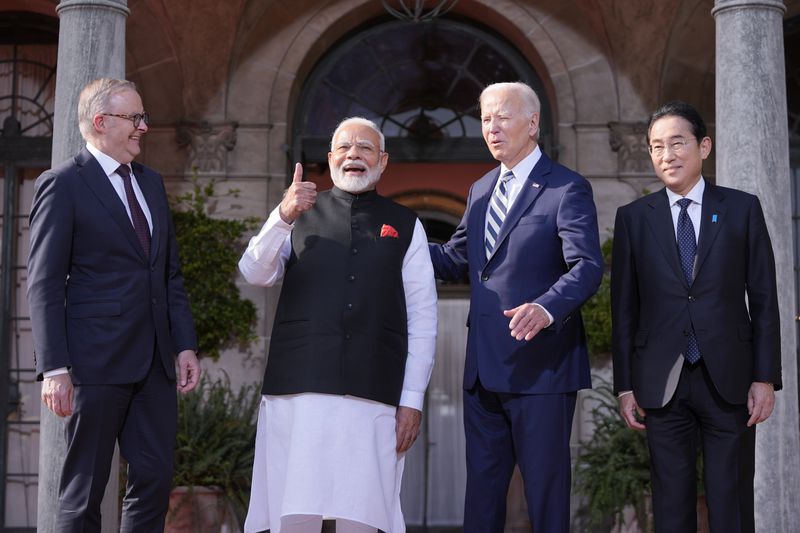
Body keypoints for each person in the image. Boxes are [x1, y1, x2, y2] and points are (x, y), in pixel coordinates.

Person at [239, 116, 437, 533]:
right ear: (330, 159)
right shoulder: (295, 215)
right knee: (294, 516)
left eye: (365, 148)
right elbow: (254, 273)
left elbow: (423, 317)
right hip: (298, 392)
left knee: (361, 517)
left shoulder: (405, 224)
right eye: (345, 147)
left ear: (382, 161)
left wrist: (412, 400)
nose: (354, 155)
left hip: (372, 395)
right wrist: (283, 214)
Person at [27, 78, 201, 533]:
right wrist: (55, 368)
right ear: (101, 123)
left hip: (155, 364)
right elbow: (44, 283)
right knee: (84, 490)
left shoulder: (151, 183)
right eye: (134, 118)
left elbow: (169, 274)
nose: (144, 126)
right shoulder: (63, 184)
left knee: (155, 480)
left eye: (143, 117)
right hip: (94, 362)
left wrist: (184, 344)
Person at [428, 81, 603, 532]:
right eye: (485, 118)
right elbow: (455, 260)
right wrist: (397, 241)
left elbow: (586, 266)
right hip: (483, 369)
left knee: (545, 495)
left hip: (542, 368)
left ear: (533, 123)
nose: (492, 127)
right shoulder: (480, 189)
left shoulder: (566, 187)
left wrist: (546, 308)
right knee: (482, 498)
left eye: (502, 117)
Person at [611, 100, 781, 532]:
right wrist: (625, 385)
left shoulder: (743, 209)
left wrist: (765, 377)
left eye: (676, 143)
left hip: (730, 381)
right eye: (655, 147)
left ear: (704, 147)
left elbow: (763, 298)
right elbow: (624, 309)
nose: (666, 155)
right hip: (660, 383)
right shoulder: (633, 219)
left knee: (732, 500)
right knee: (671, 505)